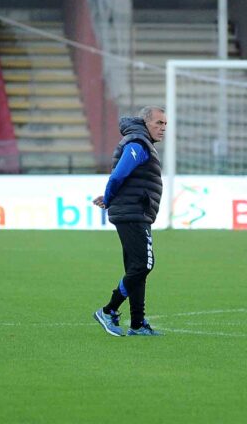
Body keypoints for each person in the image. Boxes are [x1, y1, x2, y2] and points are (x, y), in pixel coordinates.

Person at [92, 105, 167, 337]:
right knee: (144, 265)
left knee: (137, 268)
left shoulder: (140, 142)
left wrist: (109, 197)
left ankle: (137, 324)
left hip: (133, 211)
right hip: (133, 213)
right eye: (158, 123)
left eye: (165, 124)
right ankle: (109, 310)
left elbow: (125, 177)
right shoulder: (138, 143)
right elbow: (119, 175)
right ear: (146, 122)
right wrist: (111, 196)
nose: (163, 128)